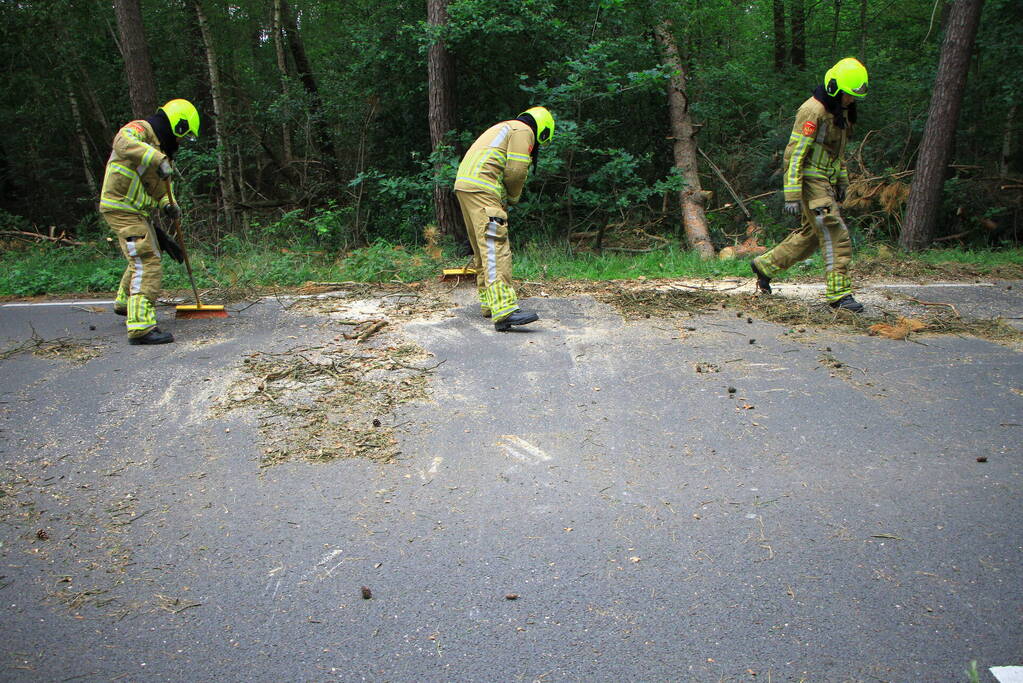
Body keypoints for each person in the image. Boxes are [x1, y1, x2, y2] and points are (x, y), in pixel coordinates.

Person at [752, 58, 868, 313]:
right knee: (834, 231)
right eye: (848, 95)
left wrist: (842, 180)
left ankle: (765, 266)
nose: (851, 100)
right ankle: (839, 294)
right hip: (811, 181)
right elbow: (794, 153)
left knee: (812, 236)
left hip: (825, 180)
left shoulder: (840, 111)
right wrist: (792, 193)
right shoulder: (812, 111)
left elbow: (837, 153)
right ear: (835, 88)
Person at [99, 99, 199, 344]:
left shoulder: (162, 151)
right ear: (177, 125)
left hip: (134, 210)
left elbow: (159, 188)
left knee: (145, 253)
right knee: (146, 260)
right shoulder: (141, 130)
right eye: (183, 135)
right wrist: (157, 159)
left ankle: (125, 302)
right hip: (121, 206)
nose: (180, 142)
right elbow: (121, 141)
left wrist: (168, 204)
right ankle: (141, 327)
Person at [454, 106, 554, 331]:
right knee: (495, 245)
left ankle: (489, 303)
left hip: (465, 185)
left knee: (482, 248)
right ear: (543, 130)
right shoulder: (523, 130)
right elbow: (516, 170)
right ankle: (504, 310)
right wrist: (513, 197)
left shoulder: (505, 127)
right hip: (484, 187)